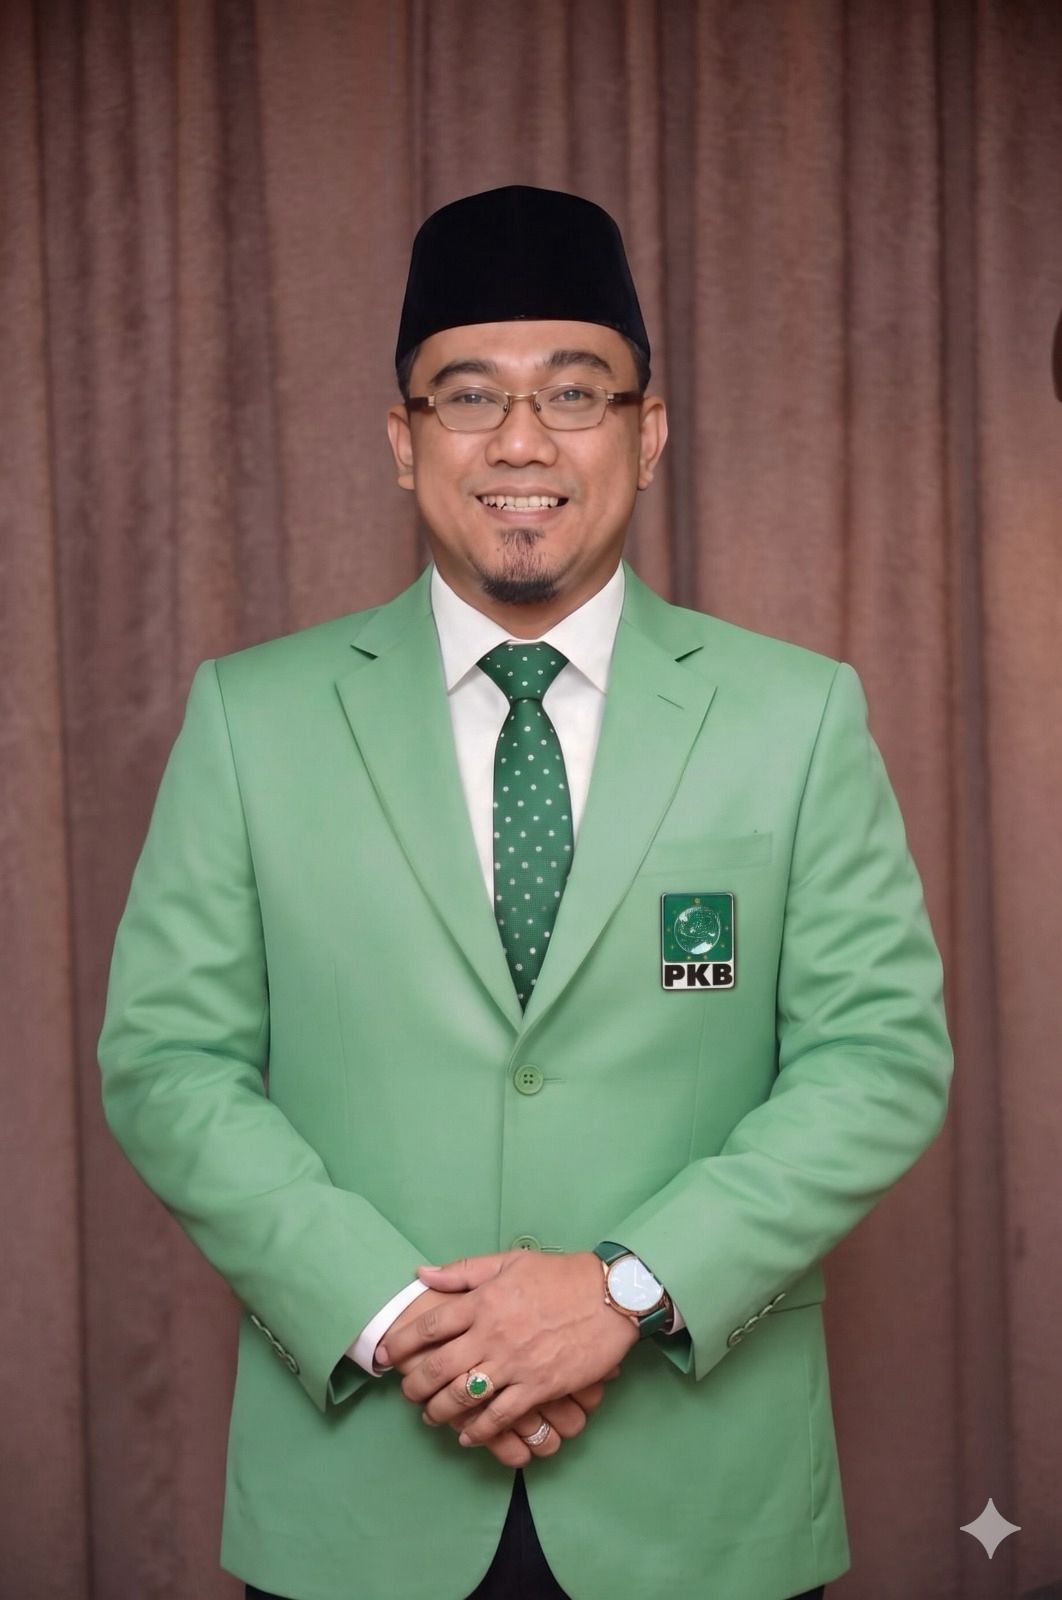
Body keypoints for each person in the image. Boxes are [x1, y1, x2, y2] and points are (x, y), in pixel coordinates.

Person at [97, 185, 952, 1600]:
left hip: (704, 1509)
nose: (519, 441)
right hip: (358, 1496)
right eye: (467, 395)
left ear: (647, 432)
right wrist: (392, 1315)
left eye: (572, 391)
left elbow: (877, 1056)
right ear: (402, 439)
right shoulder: (251, 717)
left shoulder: (795, 716)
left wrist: (624, 1286)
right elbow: (167, 1059)